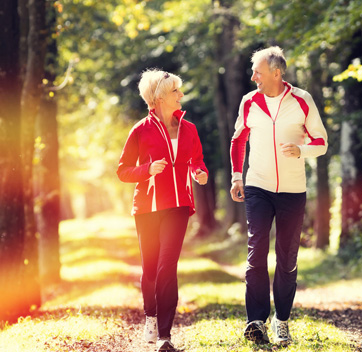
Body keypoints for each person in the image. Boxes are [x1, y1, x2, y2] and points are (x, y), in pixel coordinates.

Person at [230, 46, 328, 345]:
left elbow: (321, 141)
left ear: (276, 72)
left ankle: (281, 321)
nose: (253, 77)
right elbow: (238, 140)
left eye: (257, 71)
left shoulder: (302, 100)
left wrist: (302, 150)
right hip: (257, 186)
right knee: (256, 250)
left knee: (286, 258)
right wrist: (237, 177)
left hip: (292, 190)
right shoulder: (250, 102)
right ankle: (256, 321)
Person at [117, 69, 208, 352]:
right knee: (151, 268)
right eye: (175, 91)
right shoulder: (140, 130)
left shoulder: (189, 128)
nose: (181, 95)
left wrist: (199, 172)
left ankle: (165, 335)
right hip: (147, 207)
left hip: (179, 205)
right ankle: (151, 316)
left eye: (179, 90)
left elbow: (198, 161)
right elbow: (122, 171)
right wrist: (147, 170)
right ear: (157, 98)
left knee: (167, 266)